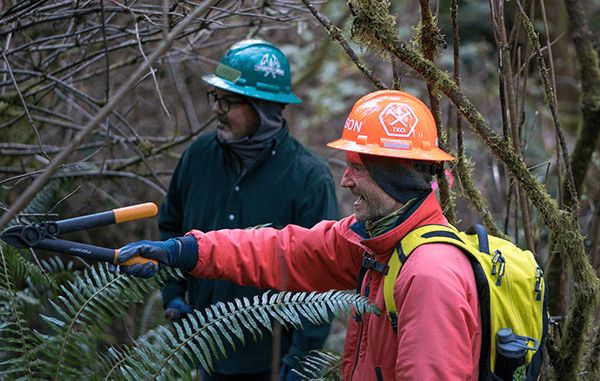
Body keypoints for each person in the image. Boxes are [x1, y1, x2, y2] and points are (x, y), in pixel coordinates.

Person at [117, 90, 482, 380]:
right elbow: (281, 250)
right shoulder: (374, 243)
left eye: (357, 168)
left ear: (393, 175)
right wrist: (185, 250)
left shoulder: (429, 274)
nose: (345, 180)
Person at [156, 39, 339, 380]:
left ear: (265, 106)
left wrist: (301, 360)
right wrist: (173, 294)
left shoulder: (309, 177)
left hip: (270, 362)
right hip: (204, 353)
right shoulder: (198, 157)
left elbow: (324, 275)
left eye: (228, 101)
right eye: (215, 96)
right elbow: (172, 226)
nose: (216, 109)